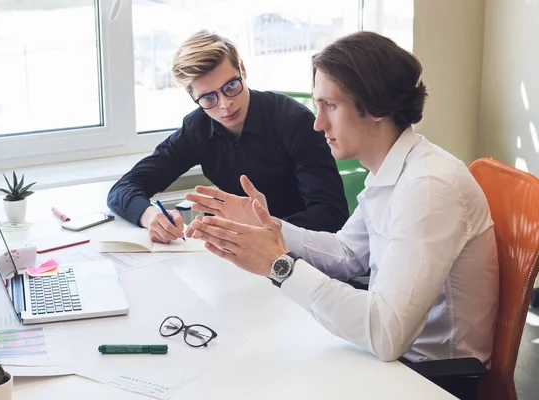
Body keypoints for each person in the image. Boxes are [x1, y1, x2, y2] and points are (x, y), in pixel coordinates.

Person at [187, 31, 499, 367]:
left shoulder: (428, 189)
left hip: (431, 376)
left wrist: (280, 266)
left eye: (330, 106)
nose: (318, 123)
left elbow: (385, 335)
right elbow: (347, 253)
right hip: (394, 359)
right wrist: (269, 226)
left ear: (376, 107)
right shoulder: (391, 169)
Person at [107, 30, 349, 243]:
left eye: (231, 86)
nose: (225, 105)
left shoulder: (294, 122)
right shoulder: (198, 128)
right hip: (234, 254)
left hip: (299, 256)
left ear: (242, 69)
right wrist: (150, 217)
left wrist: (259, 228)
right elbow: (124, 188)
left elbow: (331, 215)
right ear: (193, 97)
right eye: (209, 98)